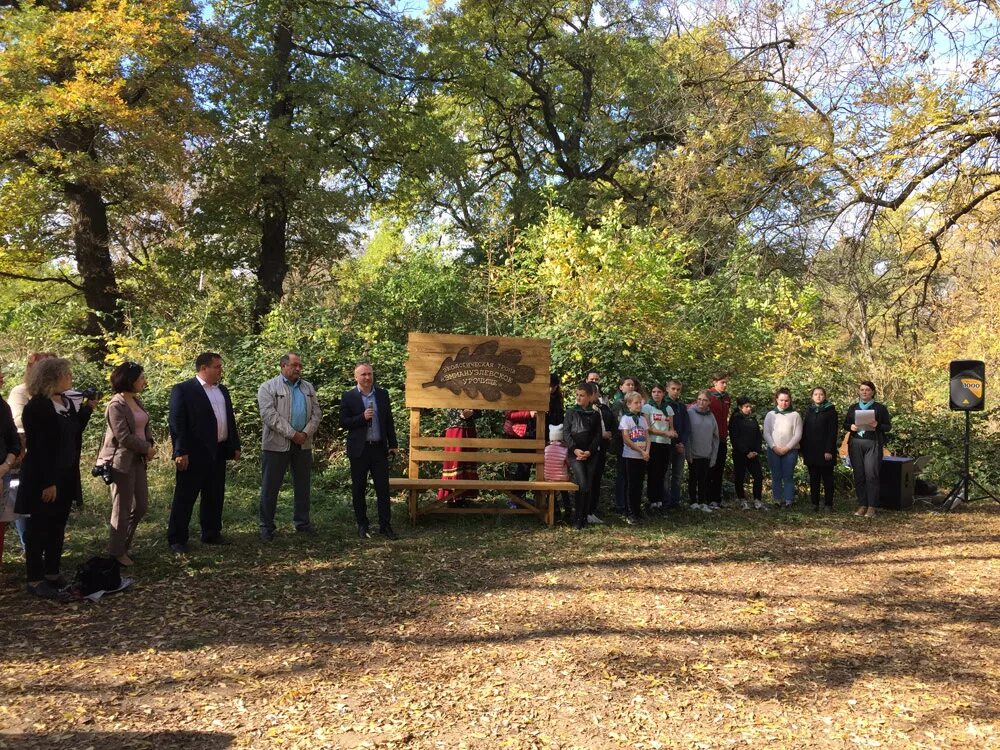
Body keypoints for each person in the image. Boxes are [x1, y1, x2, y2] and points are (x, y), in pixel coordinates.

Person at [17, 358, 94, 599]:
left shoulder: (65, 403)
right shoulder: (37, 407)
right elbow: (40, 448)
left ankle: (52, 571)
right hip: (44, 475)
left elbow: (73, 432)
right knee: (39, 527)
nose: (70, 378)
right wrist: (47, 482)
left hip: (66, 474)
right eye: (66, 374)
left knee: (57, 525)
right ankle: (35, 578)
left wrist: (87, 409)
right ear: (51, 378)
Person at [167, 352, 241, 553]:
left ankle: (211, 532)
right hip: (193, 452)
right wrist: (180, 451)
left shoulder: (222, 390)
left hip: (218, 450)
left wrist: (235, 445)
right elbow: (176, 422)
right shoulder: (184, 390)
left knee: (214, 494)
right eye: (217, 367)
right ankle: (177, 538)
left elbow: (229, 419)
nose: (220, 370)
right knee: (185, 496)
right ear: (203, 368)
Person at [257, 353, 322, 541]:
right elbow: (269, 416)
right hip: (276, 445)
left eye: (300, 365)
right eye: (294, 365)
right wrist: (293, 434)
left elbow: (317, 413)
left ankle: (302, 524)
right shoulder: (268, 387)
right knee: (270, 487)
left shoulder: (308, 387)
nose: (298, 368)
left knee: (303, 486)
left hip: (303, 444)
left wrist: (305, 434)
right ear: (283, 366)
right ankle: (266, 526)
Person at [96, 362, 156, 566]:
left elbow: (144, 426)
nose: (144, 382)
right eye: (141, 378)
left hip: (138, 460)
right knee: (122, 508)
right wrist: (146, 448)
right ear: (129, 380)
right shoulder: (116, 405)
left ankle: (123, 547)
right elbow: (123, 436)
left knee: (141, 506)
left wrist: (149, 445)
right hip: (121, 462)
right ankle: (116, 552)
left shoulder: (137, 400)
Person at [339, 362, 399, 539]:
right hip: (359, 450)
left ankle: (385, 525)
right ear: (355, 377)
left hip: (379, 449)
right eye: (363, 374)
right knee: (359, 488)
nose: (367, 377)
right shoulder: (349, 396)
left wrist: (393, 443)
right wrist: (362, 417)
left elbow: (388, 420)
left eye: (369, 374)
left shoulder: (382, 394)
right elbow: (343, 422)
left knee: (383, 489)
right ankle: (362, 525)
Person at [6, 353, 56, 550]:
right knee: (24, 499)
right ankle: (29, 546)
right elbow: (17, 419)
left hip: (49, 456)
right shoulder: (20, 392)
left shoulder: (61, 396)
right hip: (25, 453)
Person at [844, 380, 892, 517]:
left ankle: (872, 506)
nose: (864, 392)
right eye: (862, 390)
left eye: (867, 390)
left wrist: (878, 425)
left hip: (873, 443)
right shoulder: (853, 407)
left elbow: (888, 427)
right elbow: (846, 424)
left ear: (873, 392)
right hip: (856, 443)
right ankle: (862, 504)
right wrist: (851, 427)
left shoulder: (880, 408)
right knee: (859, 475)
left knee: (871, 475)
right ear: (859, 392)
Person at [564, 382, 603, 529]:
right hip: (575, 454)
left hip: (591, 454)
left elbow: (598, 435)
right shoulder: (571, 412)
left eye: (582, 395)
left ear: (589, 397)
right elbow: (566, 433)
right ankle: (577, 518)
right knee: (582, 483)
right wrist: (575, 449)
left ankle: (584, 517)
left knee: (588, 485)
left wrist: (590, 451)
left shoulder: (595, 414)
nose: (579, 398)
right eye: (577, 395)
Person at [763, 388, 803, 508]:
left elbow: (798, 435)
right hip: (773, 450)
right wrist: (774, 447)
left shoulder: (795, 415)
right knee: (776, 475)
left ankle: (788, 500)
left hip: (790, 451)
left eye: (786, 400)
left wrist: (787, 448)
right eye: (781, 400)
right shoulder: (771, 415)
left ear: (790, 400)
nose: (784, 403)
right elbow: (766, 433)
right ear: (776, 400)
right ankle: (777, 500)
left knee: (788, 475)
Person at [801, 387, 839, 512]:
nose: (818, 396)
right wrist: (802, 448)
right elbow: (805, 430)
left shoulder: (831, 411)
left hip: (825, 451)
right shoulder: (809, 411)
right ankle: (814, 503)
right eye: (816, 394)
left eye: (821, 394)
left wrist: (829, 450)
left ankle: (828, 504)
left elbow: (832, 432)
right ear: (812, 396)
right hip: (811, 451)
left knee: (827, 479)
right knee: (814, 478)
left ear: (825, 396)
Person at [436, 408, 482, 506]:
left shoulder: (474, 397)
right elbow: (448, 408)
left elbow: (480, 412)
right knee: (454, 462)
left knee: (467, 462)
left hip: (469, 430)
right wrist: (460, 413)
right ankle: (451, 497)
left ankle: (463, 496)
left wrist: (472, 412)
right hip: (455, 429)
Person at [642, 384, 676, 512]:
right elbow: (647, 428)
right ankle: (652, 501)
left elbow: (671, 427)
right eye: (654, 391)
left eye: (659, 392)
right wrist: (665, 433)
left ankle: (659, 501)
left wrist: (673, 433)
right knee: (653, 472)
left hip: (665, 444)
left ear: (663, 394)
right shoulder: (647, 407)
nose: (656, 394)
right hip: (653, 443)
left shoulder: (668, 408)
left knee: (662, 472)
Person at [610, 377, 640, 514]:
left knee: (630, 475)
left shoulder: (637, 403)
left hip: (635, 443)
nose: (631, 387)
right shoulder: (618, 403)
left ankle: (629, 504)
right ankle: (620, 504)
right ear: (621, 387)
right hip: (622, 443)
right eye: (628, 384)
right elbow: (618, 424)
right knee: (622, 474)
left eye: (632, 385)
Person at [0, 369, 22, 558]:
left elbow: (14, 441)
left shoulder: (2, 406)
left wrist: (6, 465)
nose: (2, 380)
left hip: (2, 473)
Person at [728, 396, 764, 510]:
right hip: (740, 454)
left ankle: (757, 500)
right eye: (746, 407)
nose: (749, 409)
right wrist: (746, 451)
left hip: (753, 454)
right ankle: (742, 500)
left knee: (758, 476)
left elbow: (758, 436)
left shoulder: (752, 419)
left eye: (750, 406)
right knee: (740, 477)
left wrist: (756, 450)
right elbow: (735, 438)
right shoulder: (735, 419)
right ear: (740, 407)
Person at [619, 391, 649, 525]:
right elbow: (626, 438)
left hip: (642, 457)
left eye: (640, 402)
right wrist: (640, 451)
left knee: (639, 484)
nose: (639, 405)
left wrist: (647, 451)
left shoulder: (642, 419)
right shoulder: (625, 418)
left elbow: (647, 437)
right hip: (630, 456)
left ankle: (637, 510)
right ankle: (630, 512)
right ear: (629, 404)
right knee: (631, 485)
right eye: (636, 403)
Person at [587, 381, 614, 525]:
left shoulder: (603, 407)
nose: (597, 395)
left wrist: (609, 432)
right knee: (589, 480)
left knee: (596, 479)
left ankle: (592, 510)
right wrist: (601, 434)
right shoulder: (583, 410)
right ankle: (585, 511)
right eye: (595, 392)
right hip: (589, 448)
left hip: (602, 447)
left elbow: (611, 421)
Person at [686, 391, 719, 512]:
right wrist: (688, 453)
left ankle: (702, 502)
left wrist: (713, 456)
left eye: (704, 400)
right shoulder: (690, 413)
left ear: (709, 402)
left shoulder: (711, 416)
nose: (701, 402)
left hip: (706, 454)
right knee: (693, 478)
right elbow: (687, 434)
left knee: (704, 480)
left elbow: (715, 437)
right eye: (699, 399)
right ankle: (693, 502)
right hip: (693, 454)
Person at [705, 373, 732, 507]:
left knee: (719, 469)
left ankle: (716, 499)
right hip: (709, 438)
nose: (725, 385)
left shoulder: (726, 397)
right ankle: (706, 498)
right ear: (714, 382)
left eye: (726, 382)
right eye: (722, 382)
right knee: (709, 468)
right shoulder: (708, 395)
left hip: (722, 438)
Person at [663, 380, 689, 510]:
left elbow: (686, 426)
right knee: (665, 474)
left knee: (678, 474)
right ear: (667, 389)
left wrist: (681, 443)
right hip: (667, 443)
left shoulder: (682, 406)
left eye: (678, 389)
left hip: (680, 444)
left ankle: (675, 501)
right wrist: (673, 442)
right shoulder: (663, 405)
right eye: (673, 389)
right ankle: (665, 501)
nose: (675, 392)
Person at [543, 423, 572, 522]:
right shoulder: (565, 450)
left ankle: (555, 511)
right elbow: (568, 463)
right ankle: (568, 511)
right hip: (561, 478)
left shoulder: (546, 449)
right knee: (564, 491)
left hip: (548, 477)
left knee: (551, 492)